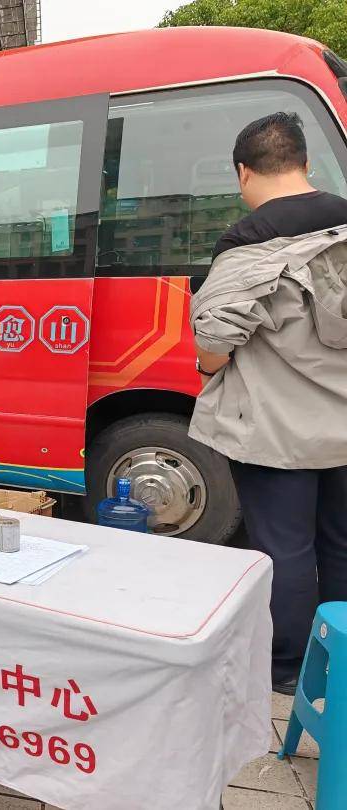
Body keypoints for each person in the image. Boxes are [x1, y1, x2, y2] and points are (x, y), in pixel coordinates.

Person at [189, 112, 347, 696]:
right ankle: (340, 662)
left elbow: (214, 338)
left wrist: (210, 365)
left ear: (243, 172)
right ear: (307, 164)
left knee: (285, 550)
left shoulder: (251, 243)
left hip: (278, 430)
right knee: (341, 545)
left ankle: (288, 670)